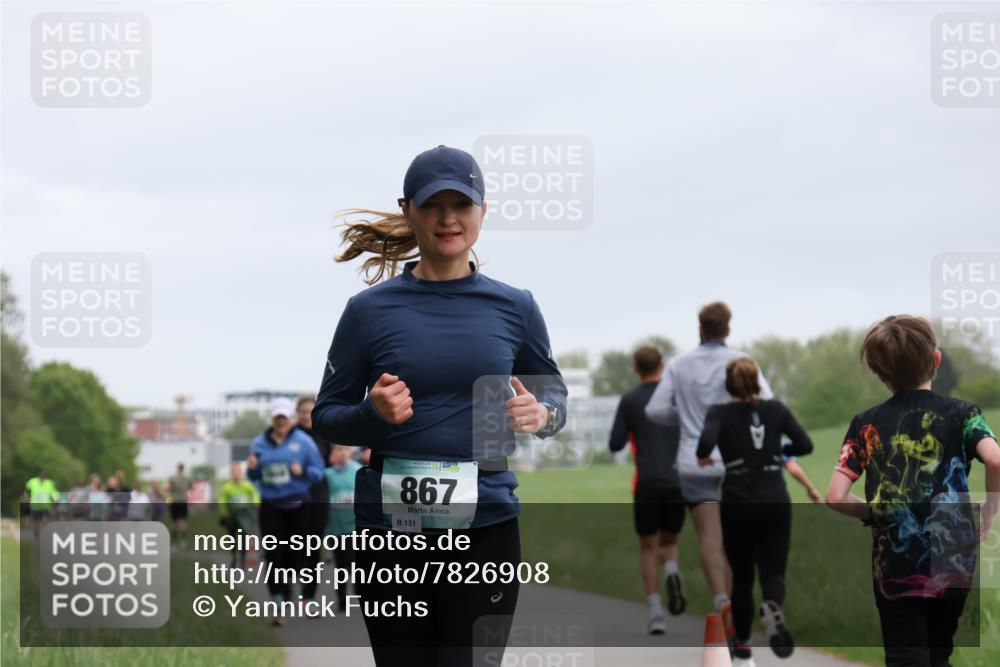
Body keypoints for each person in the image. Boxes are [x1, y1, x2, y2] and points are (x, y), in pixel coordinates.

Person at [311, 145, 568, 666]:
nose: (448, 218)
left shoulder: (516, 306)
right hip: (391, 534)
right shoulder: (368, 311)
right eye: (433, 205)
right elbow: (326, 415)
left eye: (462, 204)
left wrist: (542, 416)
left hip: (487, 527)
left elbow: (555, 397)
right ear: (408, 210)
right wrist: (370, 416)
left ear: (483, 212)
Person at [826, 315, 1000, 667]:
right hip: (954, 561)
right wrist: (990, 508)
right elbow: (995, 461)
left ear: (880, 372)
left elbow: (835, 496)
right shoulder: (963, 414)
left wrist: (875, 512)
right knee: (939, 654)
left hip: (896, 563)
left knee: (907, 657)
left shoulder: (866, 425)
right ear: (936, 360)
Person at [645, 301, 773, 619]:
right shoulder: (742, 360)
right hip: (736, 459)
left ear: (700, 329)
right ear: (728, 330)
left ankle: (721, 602)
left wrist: (688, 420)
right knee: (736, 537)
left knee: (710, 537)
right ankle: (737, 602)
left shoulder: (678, 364)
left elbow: (654, 410)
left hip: (694, 460)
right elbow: (766, 402)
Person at [697, 357, 813, 666]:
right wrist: (779, 451)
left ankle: (744, 652)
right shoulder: (777, 410)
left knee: (743, 578)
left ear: (728, 385)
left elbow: (705, 444)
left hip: (738, 501)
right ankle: (773, 606)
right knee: (773, 571)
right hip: (775, 498)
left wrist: (706, 456)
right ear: (758, 383)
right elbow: (805, 444)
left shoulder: (719, 412)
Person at [608, 345, 686, 635]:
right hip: (677, 480)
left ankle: (655, 614)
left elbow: (615, 444)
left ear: (636, 369)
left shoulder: (629, 401)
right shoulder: (676, 398)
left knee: (649, 547)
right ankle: (673, 572)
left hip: (647, 482)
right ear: (662, 366)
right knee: (670, 542)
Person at [247, 397, 324, 626]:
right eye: (277, 417)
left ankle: (298, 591)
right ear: (273, 418)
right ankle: (277, 604)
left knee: (294, 555)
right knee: (273, 556)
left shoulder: (303, 442)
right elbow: (254, 476)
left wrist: (302, 472)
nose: (281, 421)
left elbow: (318, 472)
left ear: (290, 418)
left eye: (285, 417)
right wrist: (252, 469)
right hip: (270, 505)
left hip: (298, 505)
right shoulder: (259, 443)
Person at [293, 394, 331, 607]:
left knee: (313, 546)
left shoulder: (323, 434)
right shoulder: (290, 435)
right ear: (297, 413)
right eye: (303, 412)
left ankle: (309, 596)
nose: (307, 415)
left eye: (310, 411)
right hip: (295, 495)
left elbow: (330, 461)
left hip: (318, 495)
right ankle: (295, 578)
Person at [325, 444, 362, 610]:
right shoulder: (328, 475)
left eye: (344, 449)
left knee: (354, 563)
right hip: (336, 528)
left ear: (351, 452)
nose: (340, 452)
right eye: (337, 449)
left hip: (355, 527)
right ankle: (341, 599)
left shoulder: (359, 471)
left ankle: (360, 595)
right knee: (340, 565)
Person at [219, 462, 261, 568]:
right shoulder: (227, 487)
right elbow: (222, 499)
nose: (236, 474)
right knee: (232, 539)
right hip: (231, 515)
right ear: (231, 474)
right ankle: (234, 557)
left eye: (238, 472)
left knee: (243, 539)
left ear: (242, 473)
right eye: (234, 472)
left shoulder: (247, 485)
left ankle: (242, 561)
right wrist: (224, 511)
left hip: (244, 516)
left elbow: (255, 494)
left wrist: (256, 502)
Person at [24, 471, 59, 538]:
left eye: (44, 478)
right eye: (41, 478)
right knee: (37, 520)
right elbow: (26, 489)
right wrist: (26, 497)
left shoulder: (49, 483)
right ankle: (37, 531)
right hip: (35, 505)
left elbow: (54, 492)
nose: (42, 479)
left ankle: (43, 532)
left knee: (45, 519)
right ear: (38, 477)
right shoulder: (32, 482)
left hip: (46, 505)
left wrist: (56, 499)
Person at [167, 463, 192, 548]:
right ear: (183, 468)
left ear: (177, 468)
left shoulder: (172, 478)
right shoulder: (187, 478)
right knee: (183, 521)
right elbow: (190, 487)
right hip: (183, 501)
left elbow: (169, 488)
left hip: (174, 501)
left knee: (174, 522)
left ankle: (174, 541)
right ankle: (183, 540)